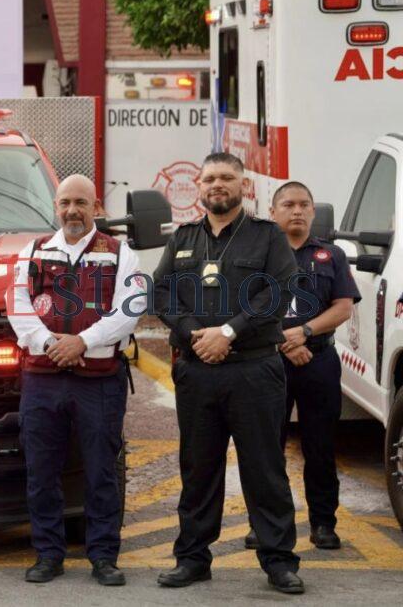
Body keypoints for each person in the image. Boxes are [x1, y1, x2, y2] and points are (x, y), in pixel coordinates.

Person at [152, 152, 304, 594]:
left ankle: (279, 561)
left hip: (254, 370)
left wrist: (229, 332)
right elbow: (162, 292)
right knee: (198, 468)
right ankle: (192, 559)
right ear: (199, 187)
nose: (217, 184)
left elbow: (278, 292)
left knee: (264, 468)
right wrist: (194, 334)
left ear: (243, 186)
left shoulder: (267, 236)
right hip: (197, 371)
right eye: (210, 178)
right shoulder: (183, 238)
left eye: (226, 177)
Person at [7, 174, 146, 587]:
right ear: (56, 207)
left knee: (101, 471)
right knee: (41, 471)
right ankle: (48, 555)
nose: (72, 210)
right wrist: (51, 343)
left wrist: (82, 342)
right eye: (65, 202)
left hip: (98, 382)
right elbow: (17, 305)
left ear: (96, 207)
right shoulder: (32, 252)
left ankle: (103, 557)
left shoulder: (120, 254)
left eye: (81, 203)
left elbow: (131, 309)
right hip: (42, 380)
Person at [240, 182, 358, 550]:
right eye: (288, 204)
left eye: (304, 205)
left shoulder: (331, 256)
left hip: (318, 360)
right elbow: (245, 308)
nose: (297, 210)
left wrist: (305, 333)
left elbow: (343, 307)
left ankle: (323, 523)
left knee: (320, 447)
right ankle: (264, 525)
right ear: (272, 212)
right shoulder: (255, 256)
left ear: (313, 212)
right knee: (265, 448)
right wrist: (283, 341)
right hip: (266, 360)